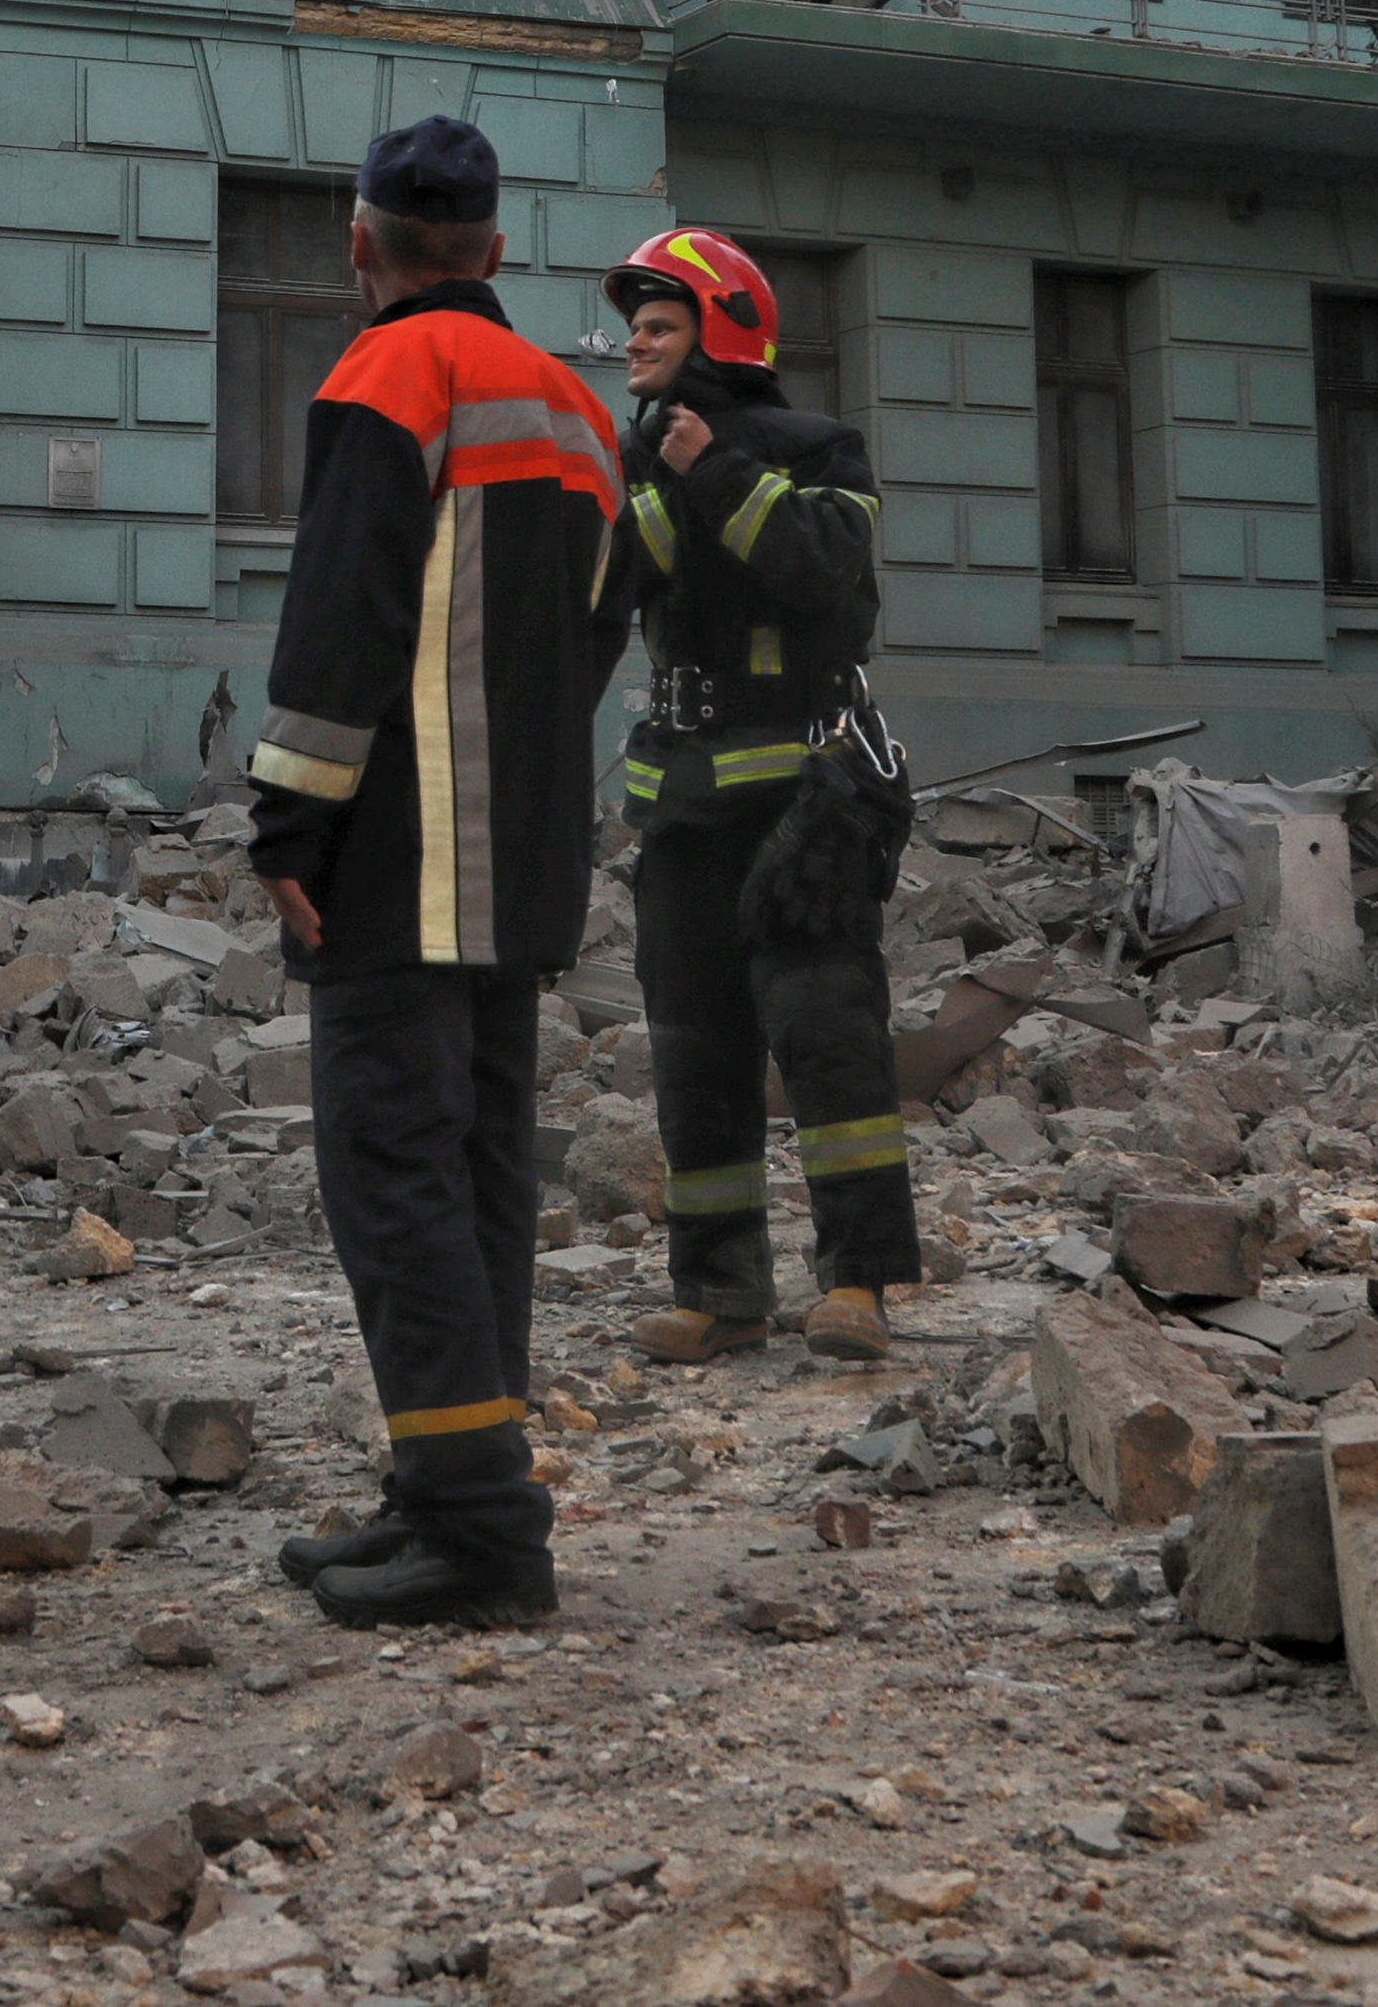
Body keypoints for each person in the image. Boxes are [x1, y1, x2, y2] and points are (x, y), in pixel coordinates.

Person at [241, 116, 627, 1630]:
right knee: (474, 1180)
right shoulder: (574, 407)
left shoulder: (390, 375)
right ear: (497, 251)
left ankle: (477, 1532)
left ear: (361, 244)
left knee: (393, 1179)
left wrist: (285, 822)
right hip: (517, 862)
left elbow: (340, 616)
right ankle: (450, 1482)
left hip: (398, 860)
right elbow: (594, 637)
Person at [588, 228, 896, 1367]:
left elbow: (825, 575)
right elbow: (604, 600)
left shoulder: (820, 449)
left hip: (802, 802)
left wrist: (710, 466)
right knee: (692, 1047)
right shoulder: (640, 459)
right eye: (632, 329)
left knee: (829, 1038)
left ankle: (856, 1282)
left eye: (657, 326)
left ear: (718, 330)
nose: (634, 346)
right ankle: (718, 1292)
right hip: (679, 803)